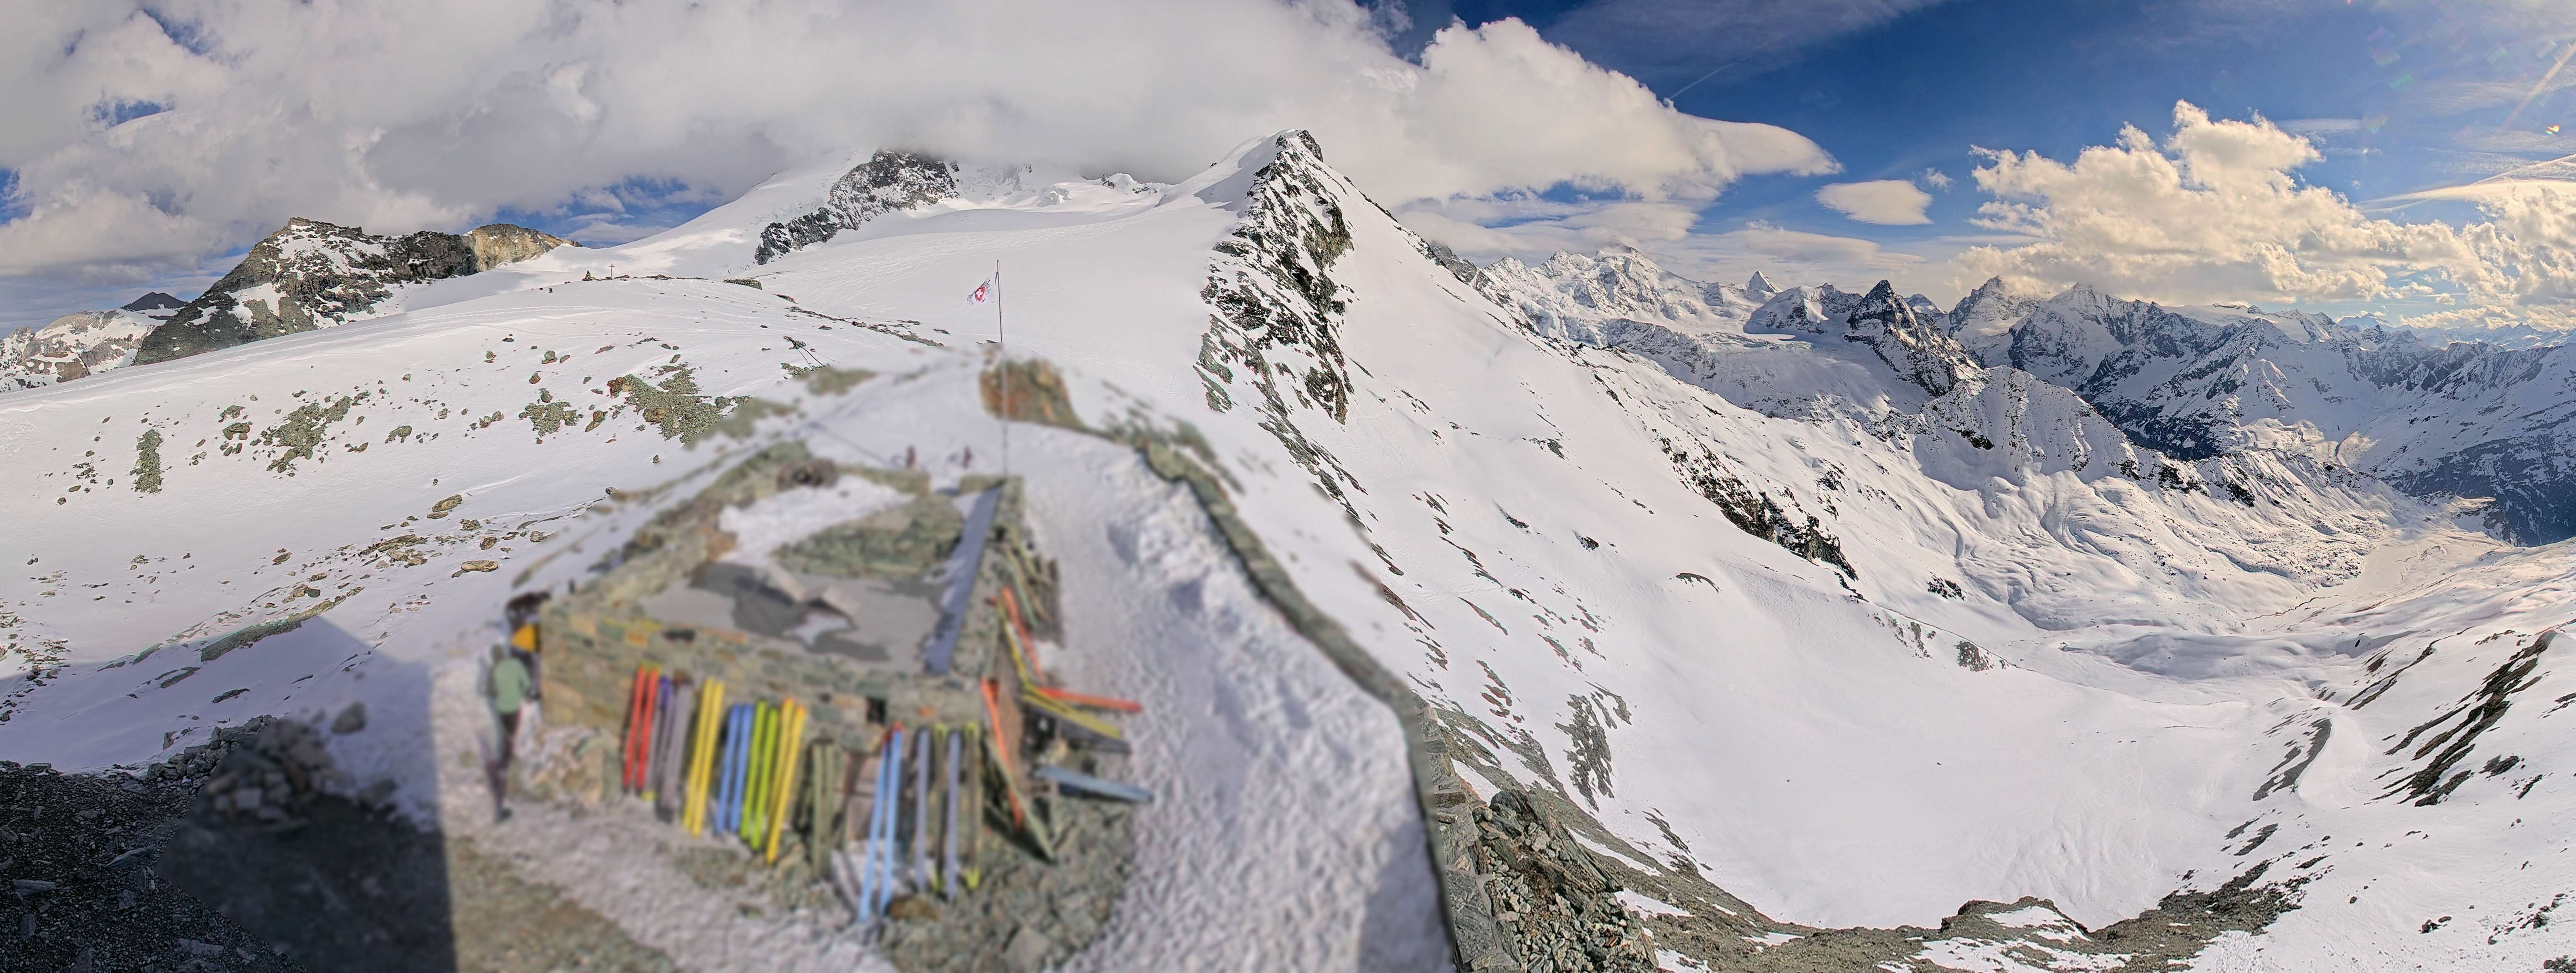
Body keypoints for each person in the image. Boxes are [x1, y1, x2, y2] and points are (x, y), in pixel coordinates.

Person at [489, 644, 532, 821]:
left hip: (502, 709)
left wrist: (501, 690)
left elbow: (491, 691)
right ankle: (506, 765)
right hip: (514, 707)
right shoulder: (516, 665)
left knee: (507, 734)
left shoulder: (495, 669)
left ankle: (507, 756)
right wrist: (519, 692)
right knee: (511, 737)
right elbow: (527, 683)